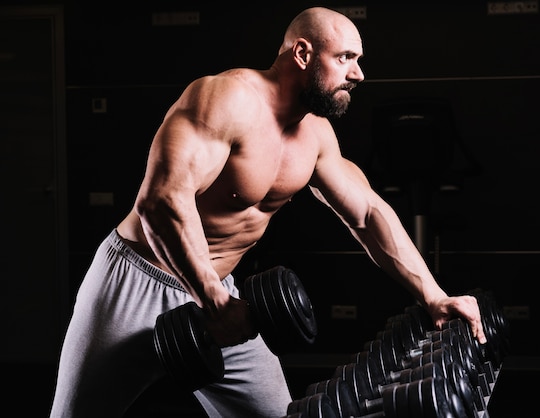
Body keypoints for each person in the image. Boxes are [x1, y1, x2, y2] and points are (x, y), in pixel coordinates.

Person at [49, 6, 486, 418]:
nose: (358, 73)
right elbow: (161, 202)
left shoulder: (316, 136)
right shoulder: (226, 99)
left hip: (218, 294)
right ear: (302, 53)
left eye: (358, 59)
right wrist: (214, 300)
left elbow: (368, 213)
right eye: (346, 58)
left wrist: (433, 295)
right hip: (137, 280)